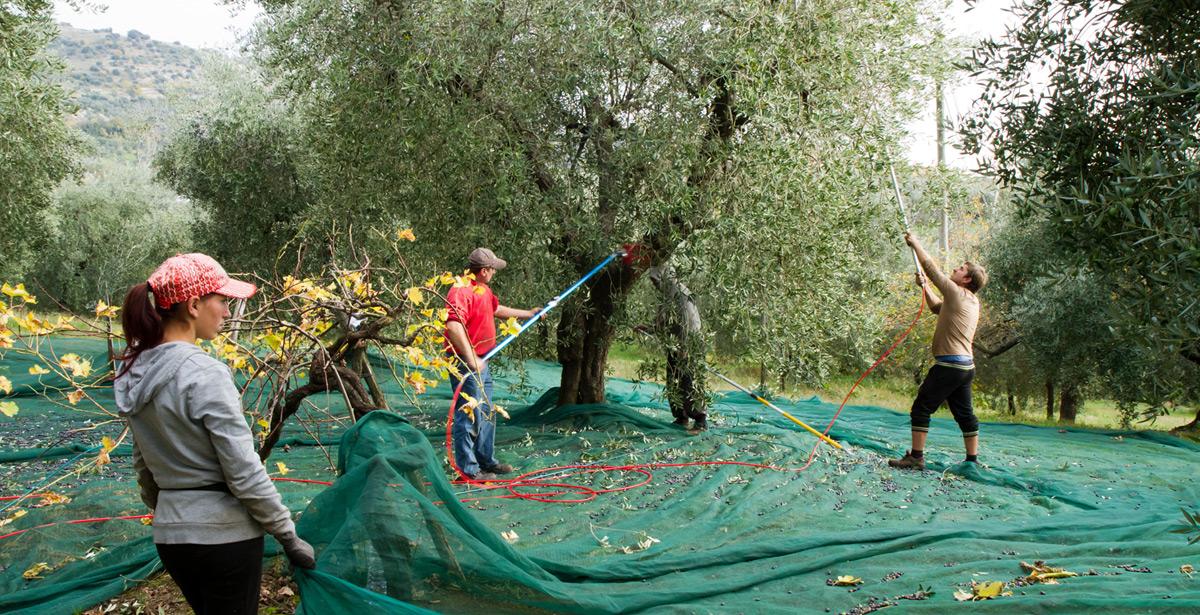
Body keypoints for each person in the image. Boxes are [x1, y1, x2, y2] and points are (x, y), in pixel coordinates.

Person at [114, 253, 315, 615]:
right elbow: (243, 470)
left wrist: (173, 513)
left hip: (171, 538)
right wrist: (288, 535)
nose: (226, 311)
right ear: (193, 305)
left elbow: (144, 466)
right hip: (225, 538)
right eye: (221, 301)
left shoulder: (135, 373)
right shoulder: (204, 373)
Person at [889, 233, 989, 471]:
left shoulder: (956, 293)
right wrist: (924, 287)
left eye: (961, 268)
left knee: (921, 408)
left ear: (966, 279)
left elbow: (931, 268)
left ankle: (916, 457)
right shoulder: (969, 300)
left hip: (949, 366)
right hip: (966, 368)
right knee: (965, 415)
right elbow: (936, 307)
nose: (955, 268)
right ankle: (972, 460)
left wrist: (916, 244)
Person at [444, 247, 536, 480]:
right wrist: (471, 358)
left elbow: (496, 309)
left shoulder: (482, 289)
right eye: (493, 269)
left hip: (482, 361)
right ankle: (468, 471)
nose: (495, 272)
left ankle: (486, 460)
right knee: (469, 415)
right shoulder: (460, 291)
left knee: (485, 411)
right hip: (466, 363)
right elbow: (454, 326)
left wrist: (529, 313)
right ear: (484, 270)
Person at [647, 263, 708, 432]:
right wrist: (649, 328)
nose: (654, 284)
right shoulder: (668, 295)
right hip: (676, 344)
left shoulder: (680, 295)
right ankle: (681, 417)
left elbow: (688, 322)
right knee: (674, 380)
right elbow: (664, 320)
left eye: (655, 280)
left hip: (688, 345)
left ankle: (701, 419)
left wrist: (685, 347)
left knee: (689, 381)